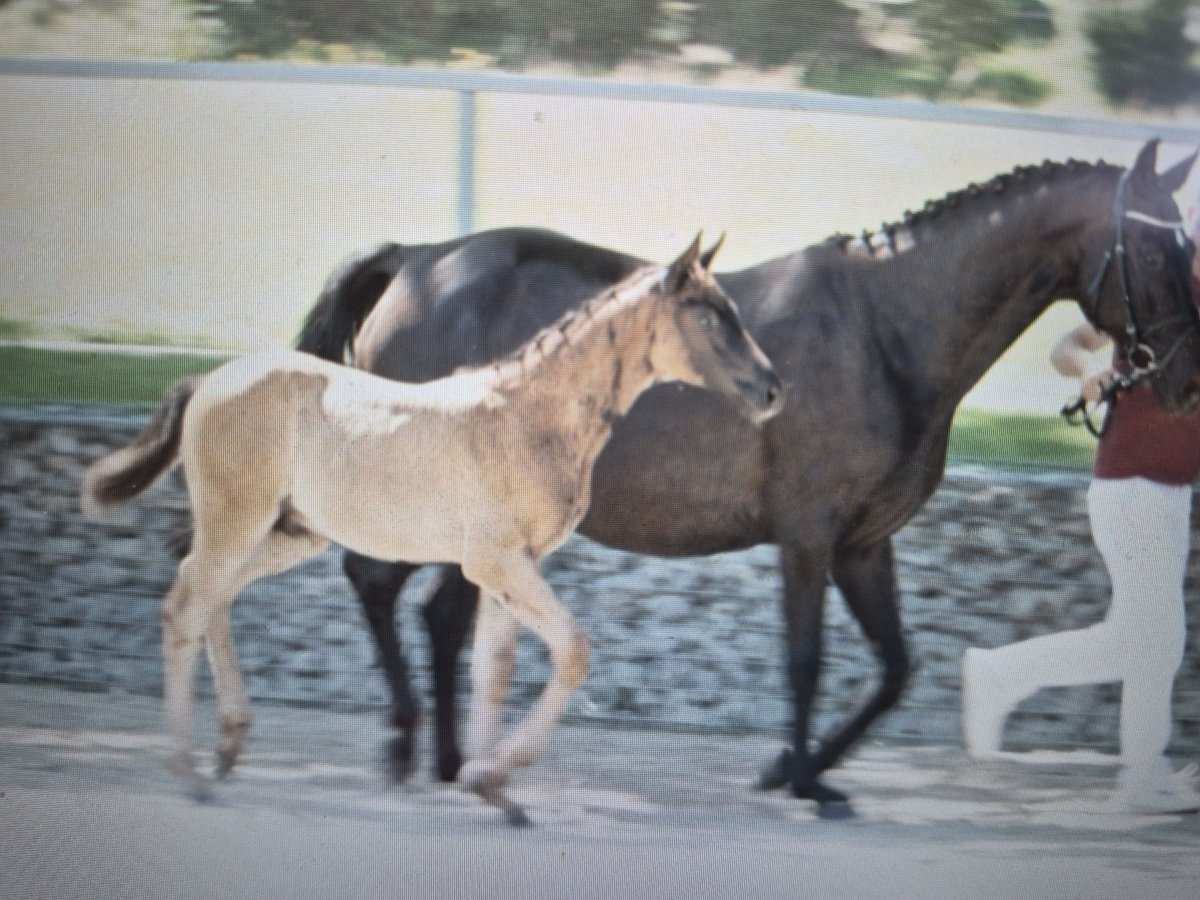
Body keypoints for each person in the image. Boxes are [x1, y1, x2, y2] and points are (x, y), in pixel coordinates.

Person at [961, 207, 1200, 815]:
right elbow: (1067, 345)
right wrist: (1090, 368)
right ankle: (1141, 777)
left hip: (1170, 491)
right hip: (1131, 486)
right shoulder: (1152, 292)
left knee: (1140, 640)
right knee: (1157, 638)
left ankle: (998, 676)